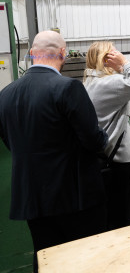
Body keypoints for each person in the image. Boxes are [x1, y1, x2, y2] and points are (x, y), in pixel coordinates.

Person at [0, 31, 107, 272]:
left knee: (47, 259)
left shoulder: (5, 95)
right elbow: (93, 140)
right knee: (85, 260)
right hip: (74, 199)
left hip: (32, 199)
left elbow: (11, 143)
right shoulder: (68, 88)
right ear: (62, 54)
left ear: (31, 54)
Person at [83, 41, 130, 230]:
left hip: (105, 160)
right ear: (106, 60)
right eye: (114, 53)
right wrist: (125, 63)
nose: (118, 54)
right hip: (120, 161)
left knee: (111, 214)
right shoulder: (107, 84)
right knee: (124, 215)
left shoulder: (90, 82)